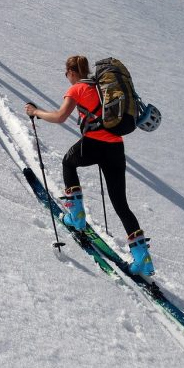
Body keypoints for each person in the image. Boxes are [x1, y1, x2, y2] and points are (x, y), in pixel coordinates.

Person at [24, 56, 155, 276]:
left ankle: (76, 216)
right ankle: (143, 259)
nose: (67, 77)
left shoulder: (77, 89)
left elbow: (59, 117)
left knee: (68, 163)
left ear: (72, 72)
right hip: (116, 147)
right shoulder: (99, 88)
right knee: (121, 204)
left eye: (66, 73)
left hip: (95, 143)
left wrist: (35, 112)